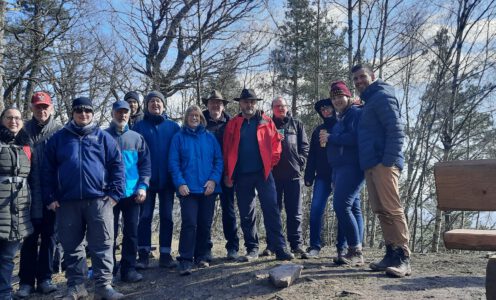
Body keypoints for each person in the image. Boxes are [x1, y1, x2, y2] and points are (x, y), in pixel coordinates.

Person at [43, 97, 125, 299]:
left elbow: (117, 166)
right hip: (67, 202)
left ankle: (103, 286)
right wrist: (50, 197)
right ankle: (76, 286)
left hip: (99, 201)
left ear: (93, 113)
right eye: (79, 110)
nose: (83, 114)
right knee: (71, 247)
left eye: (88, 110)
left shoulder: (104, 138)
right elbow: (47, 170)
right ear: (73, 113)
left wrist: (115, 194)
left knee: (103, 245)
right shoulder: (58, 139)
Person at [352, 64, 411, 277]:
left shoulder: (383, 96)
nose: (359, 82)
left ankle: (404, 258)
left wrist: (388, 161)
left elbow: (396, 129)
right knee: (381, 209)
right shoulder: (369, 101)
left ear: (372, 76)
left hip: (383, 163)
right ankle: (391, 253)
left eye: (362, 77)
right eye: (356, 79)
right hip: (370, 164)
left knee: (393, 208)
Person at [223, 88, 293, 262]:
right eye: (246, 101)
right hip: (241, 175)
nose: (249, 104)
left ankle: (280, 248)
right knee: (246, 213)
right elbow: (227, 149)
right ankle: (252, 249)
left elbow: (277, 144)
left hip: (263, 174)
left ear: (256, 103)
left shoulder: (266, 121)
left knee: (272, 210)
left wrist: (271, 163)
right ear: (240, 103)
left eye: (252, 101)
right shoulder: (233, 124)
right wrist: (228, 173)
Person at [16, 92, 61, 298]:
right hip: (27, 194)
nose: (41, 111)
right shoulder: (21, 131)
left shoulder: (60, 131)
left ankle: (45, 278)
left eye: (45, 107)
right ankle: (25, 282)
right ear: (31, 109)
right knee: (29, 238)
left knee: (50, 237)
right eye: (37, 107)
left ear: (51, 108)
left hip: (53, 193)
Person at [169, 105, 223, 275]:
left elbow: (218, 161)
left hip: (208, 188)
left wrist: (213, 181)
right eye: (191, 115)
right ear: (186, 118)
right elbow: (173, 163)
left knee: (205, 224)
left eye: (197, 116)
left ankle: (202, 256)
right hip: (188, 190)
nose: (194, 118)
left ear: (202, 119)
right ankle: (185, 259)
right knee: (190, 223)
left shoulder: (209, 137)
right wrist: (180, 183)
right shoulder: (178, 138)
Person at [133, 91, 180, 269]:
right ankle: (143, 254)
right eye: (151, 101)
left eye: (158, 101)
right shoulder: (139, 127)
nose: (155, 104)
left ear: (164, 105)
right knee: (145, 217)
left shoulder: (173, 127)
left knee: (167, 217)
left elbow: (179, 154)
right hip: (146, 183)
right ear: (146, 106)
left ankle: (166, 254)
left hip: (168, 182)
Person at [320, 81, 364, 266]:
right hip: (339, 168)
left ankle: (355, 251)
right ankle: (355, 250)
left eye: (340, 96)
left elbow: (355, 138)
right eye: (334, 97)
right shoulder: (342, 116)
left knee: (341, 205)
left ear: (348, 96)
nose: (337, 100)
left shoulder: (355, 113)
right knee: (353, 207)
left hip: (352, 166)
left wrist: (331, 137)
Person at [106, 101, 151, 283]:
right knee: (109, 235)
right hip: (109, 195)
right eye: (119, 112)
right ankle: (108, 271)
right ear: (112, 113)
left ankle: (129, 269)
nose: (122, 115)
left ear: (129, 114)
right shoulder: (102, 136)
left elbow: (145, 166)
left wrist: (143, 186)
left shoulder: (137, 138)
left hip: (132, 194)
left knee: (131, 233)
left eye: (125, 112)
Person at [268, 96, 309, 257]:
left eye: (283, 106)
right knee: (273, 211)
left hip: (293, 175)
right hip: (272, 177)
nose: (280, 108)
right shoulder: (267, 125)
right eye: (277, 106)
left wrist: (301, 162)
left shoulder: (296, 124)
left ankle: (296, 244)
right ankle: (273, 244)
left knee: (295, 212)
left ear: (287, 108)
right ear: (272, 109)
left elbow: (304, 146)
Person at [202, 90, 239, 260]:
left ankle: (232, 247)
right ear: (207, 104)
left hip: (227, 174)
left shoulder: (231, 122)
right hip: (205, 176)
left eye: (219, 102)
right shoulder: (200, 122)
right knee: (205, 213)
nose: (215, 105)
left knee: (229, 211)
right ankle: (205, 248)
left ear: (223, 105)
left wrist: (231, 173)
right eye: (212, 102)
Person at [0, 108, 32, 300]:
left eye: (18, 118)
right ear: (2, 119)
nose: (14, 121)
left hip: (18, 211)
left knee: (8, 257)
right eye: (9, 117)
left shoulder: (26, 146)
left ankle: (4, 293)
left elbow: (33, 180)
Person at [302, 99, 337, 259]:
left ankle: (342, 247)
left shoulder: (342, 125)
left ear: (334, 107)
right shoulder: (318, 130)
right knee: (316, 209)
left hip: (341, 175)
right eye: (322, 109)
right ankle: (314, 246)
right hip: (321, 176)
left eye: (327, 107)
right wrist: (309, 175)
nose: (325, 111)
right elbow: (312, 155)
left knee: (343, 211)